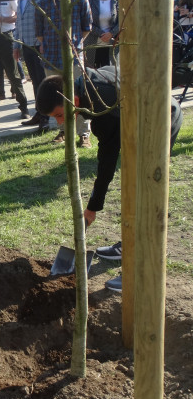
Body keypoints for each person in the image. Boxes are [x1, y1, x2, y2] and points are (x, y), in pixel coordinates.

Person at [36, 66, 183, 293]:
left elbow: (107, 158)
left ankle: (139, 270)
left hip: (160, 117)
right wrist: (94, 205)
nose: (59, 123)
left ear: (72, 99)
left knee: (145, 190)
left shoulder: (102, 103)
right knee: (133, 184)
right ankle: (128, 246)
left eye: (58, 115)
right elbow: (109, 152)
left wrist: (93, 206)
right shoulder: (86, 87)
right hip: (136, 118)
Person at [35, 0, 92, 147]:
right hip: (51, 58)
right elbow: (40, 33)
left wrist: (73, 44)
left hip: (74, 58)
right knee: (57, 98)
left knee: (79, 96)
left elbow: (86, 28)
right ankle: (63, 132)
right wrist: (46, 45)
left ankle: (84, 134)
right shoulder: (43, 2)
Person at [13, 0, 51, 132]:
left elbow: (48, 19)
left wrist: (44, 42)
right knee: (35, 81)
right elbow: (19, 21)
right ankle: (39, 113)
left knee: (44, 82)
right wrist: (16, 44)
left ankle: (46, 117)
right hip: (27, 44)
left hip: (40, 45)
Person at [85, 0, 119, 68]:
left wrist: (111, 33)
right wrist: (101, 33)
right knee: (92, 73)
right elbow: (86, 21)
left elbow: (122, 20)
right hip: (92, 43)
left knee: (110, 74)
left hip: (112, 44)